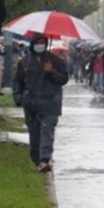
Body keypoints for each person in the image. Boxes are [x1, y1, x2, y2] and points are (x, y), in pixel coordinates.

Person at [12, 33, 69, 173]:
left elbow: (63, 79)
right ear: (32, 44)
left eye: (43, 42)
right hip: (32, 104)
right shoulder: (25, 62)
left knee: (47, 131)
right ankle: (37, 159)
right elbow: (17, 81)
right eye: (37, 42)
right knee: (35, 134)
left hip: (50, 103)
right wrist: (19, 98)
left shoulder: (55, 61)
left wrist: (52, 72)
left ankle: (44, 160)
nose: (40, 45)